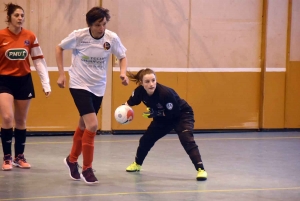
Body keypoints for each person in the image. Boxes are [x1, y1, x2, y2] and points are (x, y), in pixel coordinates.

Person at [55, 6, 129, 184]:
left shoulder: (111, 38)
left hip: (98, 87)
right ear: (90, 24)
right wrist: (61, 73)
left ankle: (71, 160)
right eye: (98, 25)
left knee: (83, 124)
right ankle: (87, 169)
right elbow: (59, 48)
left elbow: (122, 56)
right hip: (79, 84)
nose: (101, 28)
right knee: (93, 125)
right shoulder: (79, 36)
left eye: (104, 24)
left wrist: (123, 73)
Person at [124, 68, 207, 181]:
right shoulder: (139, 92)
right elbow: (128, 104)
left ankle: (201, 170)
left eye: (153, 80)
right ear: (142, 83)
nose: (151, 84)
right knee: (145, 140)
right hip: (163, 118)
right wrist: (122, 112)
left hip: (181, 115)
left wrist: (156, 113)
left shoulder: (165, 93)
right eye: (147, 81)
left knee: (186, 139)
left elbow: (174, 112)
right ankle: (137, 164)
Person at [0, 3, 51, 171]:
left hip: (24, 81)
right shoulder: (1, 36)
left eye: (22, 15)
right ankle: (7, 157)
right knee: (7, 117)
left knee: (21, 120)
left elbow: (38, 60)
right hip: (4, 81)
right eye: (17, 15)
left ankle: (19, 156)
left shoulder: (30, 36)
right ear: (9, 18)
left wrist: (46, 83)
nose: (20, 18)